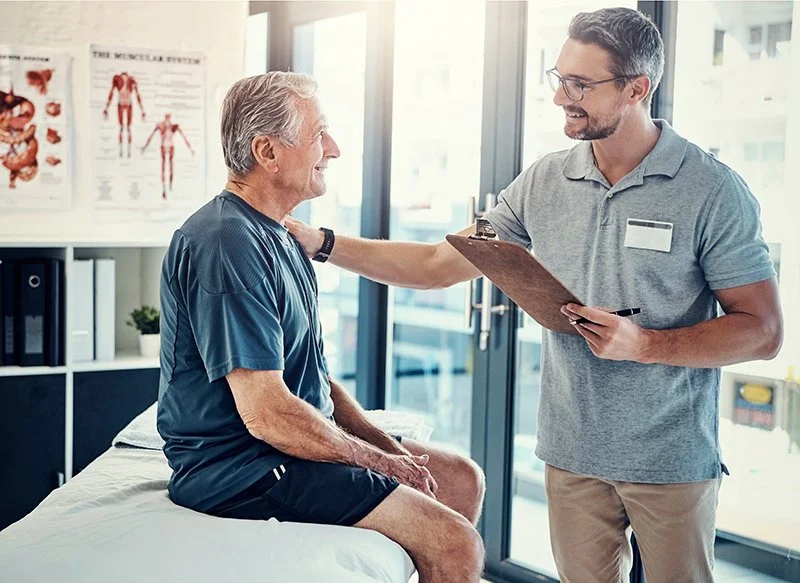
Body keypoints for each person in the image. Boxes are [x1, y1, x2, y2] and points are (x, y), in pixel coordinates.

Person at [286, 7, 783, 583]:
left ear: (637, 88)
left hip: (669, 458)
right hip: (572, 452)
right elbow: (438, 264)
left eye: (581, 84)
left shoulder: (711, 190)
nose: (561, 98)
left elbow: (763, 331)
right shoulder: (545, 180)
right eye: (558, 78)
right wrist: (320, 241)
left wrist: (644, 344)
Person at [156, 72, 486, 583]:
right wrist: (382, 465)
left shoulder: (283, 237)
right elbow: (268, 413)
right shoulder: (227, 243)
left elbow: (312, 377)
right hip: (239, 467)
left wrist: (387, 446)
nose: (332, 149)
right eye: (319, 134)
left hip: (283, 442)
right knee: (456, 542)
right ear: (267, 151)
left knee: (460, 479)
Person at [141, 113, 195, 199]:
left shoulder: (174, 127)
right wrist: (145, 147)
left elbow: (184, 137)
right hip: (164, 147)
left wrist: (190, 148)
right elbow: (151, 136)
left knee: (170, 167)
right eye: (166, 118)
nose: (167, 120)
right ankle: (164, 188)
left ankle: (170, 186)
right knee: (163, 168)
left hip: (170, 147)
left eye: (168, 118)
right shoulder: (160, 126)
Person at [103, 72, 146, 158]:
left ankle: (128, 152)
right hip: (122, 103)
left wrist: (142, 110)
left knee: (127, 128)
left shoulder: (131, 80)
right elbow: (111, 92)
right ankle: (121, 152)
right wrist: (106, 108)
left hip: (127, 103)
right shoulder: (117, 79)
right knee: (122, 128)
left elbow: (137, 95)